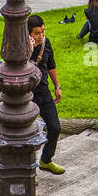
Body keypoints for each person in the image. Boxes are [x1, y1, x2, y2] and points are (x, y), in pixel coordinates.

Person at [27, 14, 64, 174]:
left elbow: (51, 65)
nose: (41, 35)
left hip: (43, 92)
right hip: (26, 96)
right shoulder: (20, 45)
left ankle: (46, 160)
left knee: (55, 127)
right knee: (27, 135)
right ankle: (29, 169)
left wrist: (57, 86)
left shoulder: (45, 43)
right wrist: (29, 49)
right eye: (37, 33)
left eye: (43, 31)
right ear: (28, 33)